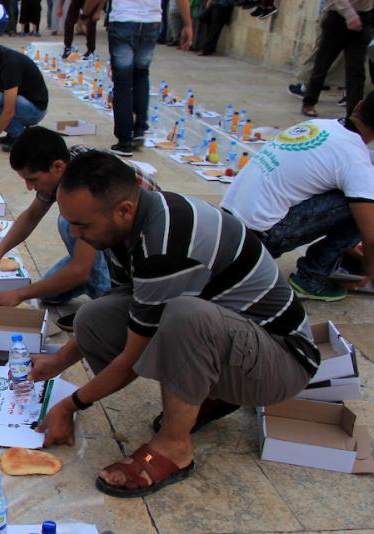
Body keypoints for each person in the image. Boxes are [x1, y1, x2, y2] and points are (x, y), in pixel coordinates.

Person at [30, 151, 319, 497]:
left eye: (83, 225)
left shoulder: (165, 242)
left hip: (283, 360)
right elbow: (132, 309)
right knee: (94, 316)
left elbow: (130, 359)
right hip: (238, 337)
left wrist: (70, 405)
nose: (76, 234)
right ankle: (211, 392)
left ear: (124, 210)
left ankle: (174, 447)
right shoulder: (124, 230)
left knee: (185, 317)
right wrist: (58, 361)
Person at [0, 128, 162, 326]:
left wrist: (19, 294)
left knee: (68, 223)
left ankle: (105, 305)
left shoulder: (86, 186)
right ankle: (94, 283)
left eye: (33, 179)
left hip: (140, 249)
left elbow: (80, 270)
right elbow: (32, 215)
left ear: (57, 167)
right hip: (113, 233)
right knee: (48, 294)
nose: (29, 187)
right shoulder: (66, 167)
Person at [222, 92, 374, 302]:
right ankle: (312, 279)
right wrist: (370, 272)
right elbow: (371, 237)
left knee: (356, 190)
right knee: (364, 200)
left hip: (227, 227)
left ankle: (329, 264)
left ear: (358, 106)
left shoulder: (318, 125)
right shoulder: (354, 160)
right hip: (258, 241)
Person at [79, 0, 192, 156]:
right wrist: (188, 24)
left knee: (122, 82)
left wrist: (85, 13)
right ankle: (139, 129)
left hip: (123, 20)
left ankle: (125, 140)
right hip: (151, 22)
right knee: (141, 74)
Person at [301, 0, 372, 118]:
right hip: (338, 17)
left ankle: (354, 113)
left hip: (363, 17)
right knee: (322, 64)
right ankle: (309, 102)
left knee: (356, 71)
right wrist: (350, 15)